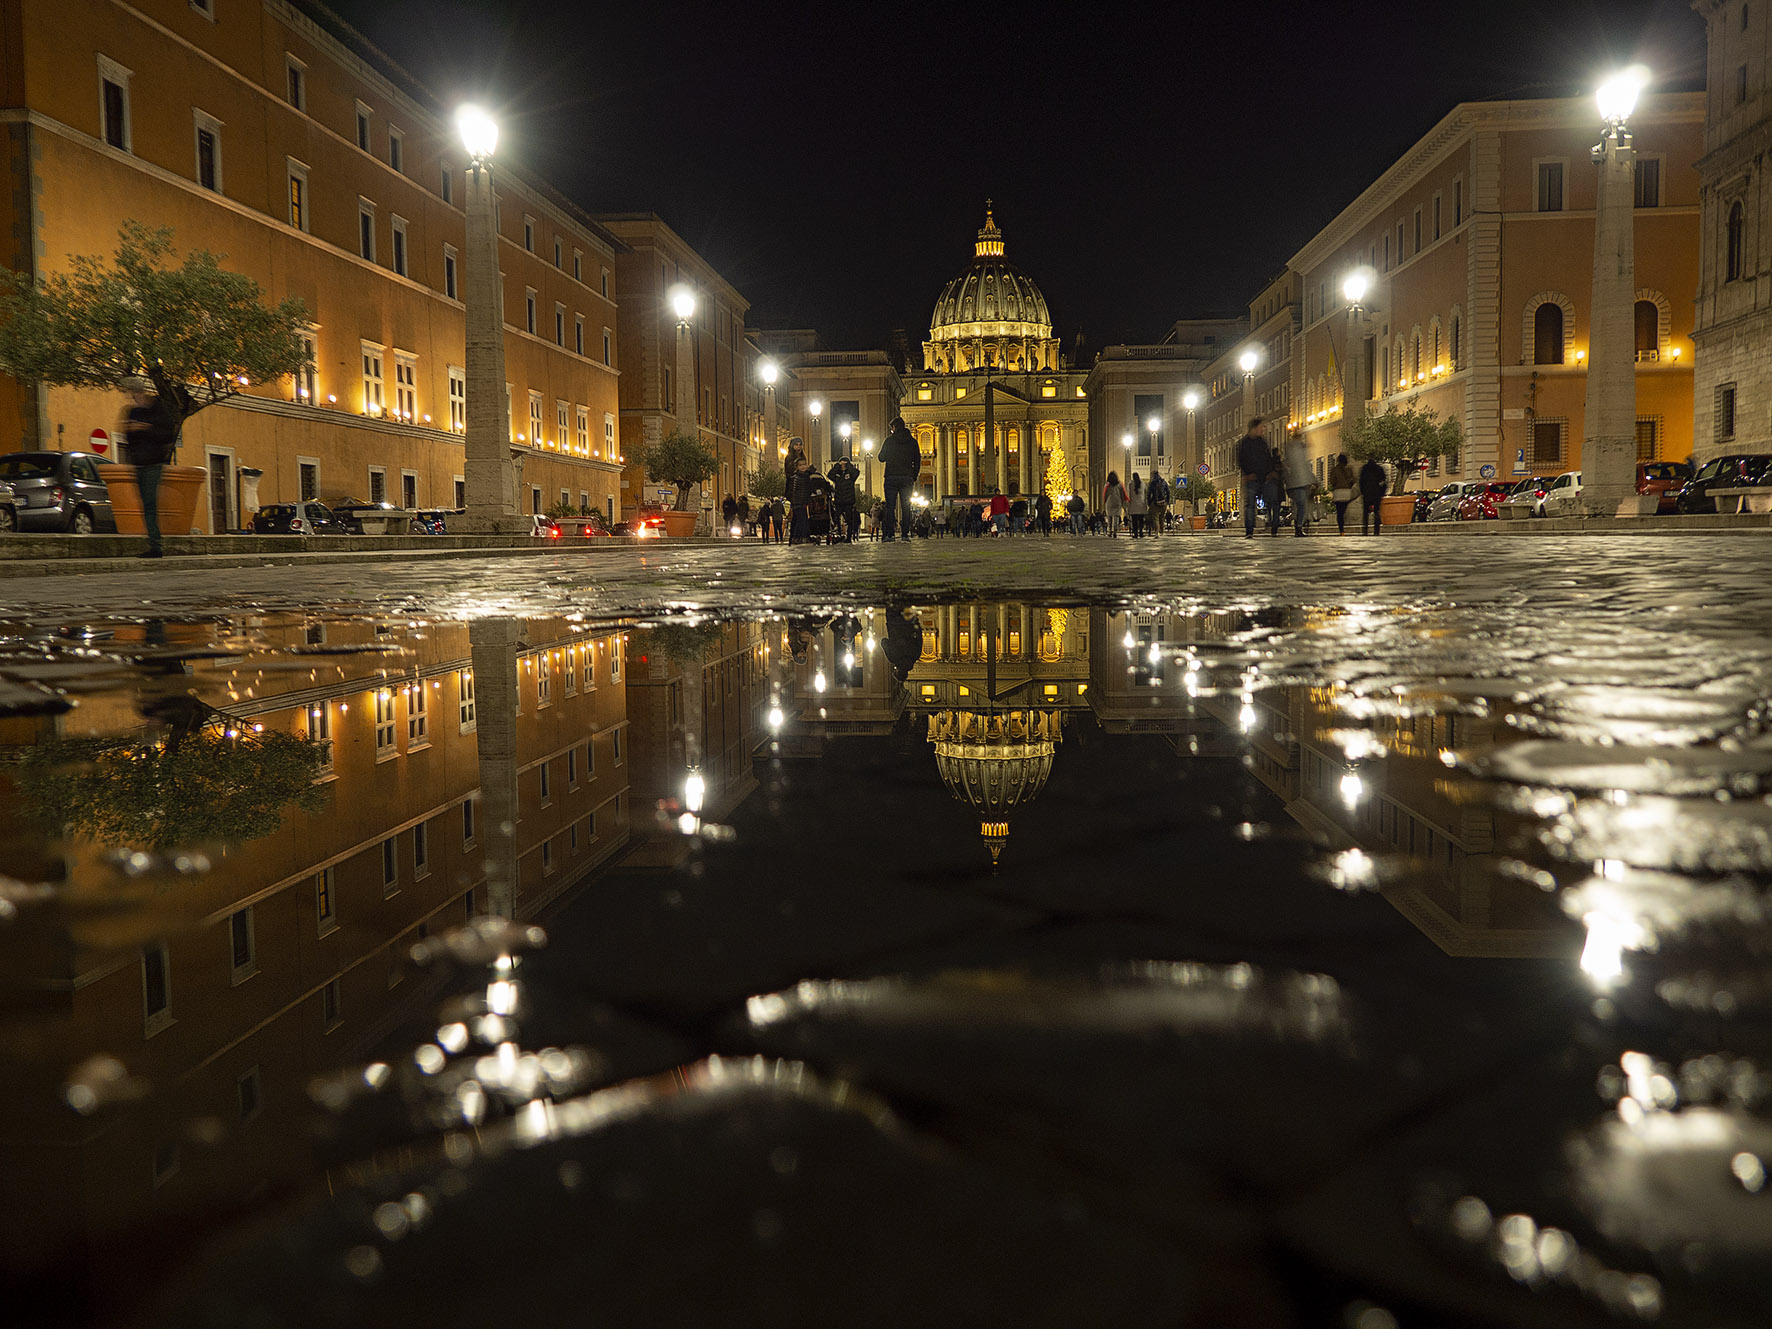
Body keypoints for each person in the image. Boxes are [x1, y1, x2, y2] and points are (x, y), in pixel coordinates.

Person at [121, 376, 189, 558]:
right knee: (145, 504)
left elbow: (167, 434)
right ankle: (153, 542)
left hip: (153, 463)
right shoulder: (132, 412)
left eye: (131, 393)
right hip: (139, 463)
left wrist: (145, 428)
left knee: (150, 503)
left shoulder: (157, 409)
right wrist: (131, 430)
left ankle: (156, 545)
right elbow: (126, 436)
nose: (130, 397)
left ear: (138, 392)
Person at [877, 416, 919, 541]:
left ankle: (890, 534)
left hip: (891, 477)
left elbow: (881, 457)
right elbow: (917, 460)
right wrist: (914, 476)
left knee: (890, 507)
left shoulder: (889, 441)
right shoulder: (912, 441)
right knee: (906, 506)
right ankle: (905, 534)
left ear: (894, 428)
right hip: (907, 478)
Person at [1235, 416, 1273, 539]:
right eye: (1261, 427)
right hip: (1251, 479)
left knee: (1270, 502)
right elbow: (1241, 460)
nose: (1263, 429)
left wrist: (1269, 472)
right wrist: (1247, 473)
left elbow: (1267, 458)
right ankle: (1249, 531)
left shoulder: (1262, 442)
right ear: (1254, 428)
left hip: (1264, 478)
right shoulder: (1244, 443)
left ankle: (1272, 526)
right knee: (1250, 505)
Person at [787, 457, 831, 545]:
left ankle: (798, 537)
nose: (803, 467)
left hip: (801, 502)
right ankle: (799, 537)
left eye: (804, 464)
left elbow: (809, 487)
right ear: (797, 467)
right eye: (800, 465)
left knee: (800, 520)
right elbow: (792, 490)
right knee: (802, 520)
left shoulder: (802, 476)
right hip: (799, 502)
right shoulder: (799, 477)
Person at [1282, 430, 1314, 537]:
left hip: (1294, 483)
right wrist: (1312, 480)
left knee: (1298, 505)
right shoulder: (1298, 451)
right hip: (1299, 482)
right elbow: (1304, 468)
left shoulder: (1290, 450)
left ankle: (1298, 525)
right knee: (1302, 504)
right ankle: (1298, 526)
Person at [827, 454, 861, 542]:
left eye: (844, 464)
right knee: (836, 518)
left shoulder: (851, 474)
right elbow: (829, 475)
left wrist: (848, 466)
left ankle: (849, 537)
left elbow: (856, 472)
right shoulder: (837, 474)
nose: (843, 465)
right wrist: (837, 466)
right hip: (839, 500)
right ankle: (839, 534)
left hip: (849, 501)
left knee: (849, 520)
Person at [1359, 456, 1388, 535]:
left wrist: (1362, 492)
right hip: (1376, 493)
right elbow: (1383, 482)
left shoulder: (1364, 469)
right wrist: (1382, 493)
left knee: (1365, 513)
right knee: (1377, 512)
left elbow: (1361, 482)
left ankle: (1365, 530)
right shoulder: (1379, 469)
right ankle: (1376, 531)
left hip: (1367, 493)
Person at [1328, 453, 1356, 535]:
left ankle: (1341, 530)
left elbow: (1332, 481)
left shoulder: (1334, 470)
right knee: (1344, 511)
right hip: (1347, 492)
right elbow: (1353, 481)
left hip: (1338, 492)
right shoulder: (1348, 470)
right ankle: (1343, 526)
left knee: (1339, 512)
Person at [1102, 470, 1126, 536]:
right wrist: (1122, 501)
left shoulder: (1107, 485)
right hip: (1117, 501)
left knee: (1109, 517)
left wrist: (1104, 502)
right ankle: (1115, 530)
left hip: (1109, 501)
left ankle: (1110, 531)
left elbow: (1105, 494)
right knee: (1116, 517)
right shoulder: (1119, 485)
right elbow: (1122, 494)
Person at [1146, 471, 1169, 537]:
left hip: (1155, 502)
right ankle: (1162, 532)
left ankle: (1157, 532)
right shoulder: (1164, 482)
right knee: (1162, 517)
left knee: (1155, 518)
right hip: (1163, 502)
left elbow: (1149, 493)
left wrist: (1149, 502)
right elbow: (1168, 492)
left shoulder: (1152, 483)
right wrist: (1167, 501)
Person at [1126, 472, 1148, 537]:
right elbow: (1145, 493)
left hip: (1133, 505)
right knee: (1141, 520)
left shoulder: (1131, 484)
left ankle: (1135, 533)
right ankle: (1141, 532)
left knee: (1134, 521)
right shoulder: (1143, 483)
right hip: (1141, 504)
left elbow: (1129, 495)